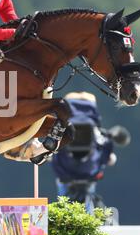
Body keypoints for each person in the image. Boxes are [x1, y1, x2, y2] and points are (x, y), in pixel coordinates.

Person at [50, 92, 130, 223]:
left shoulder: (61, 132)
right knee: (96, 216)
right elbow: (108, 156)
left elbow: (51, 150)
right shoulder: (99, 134)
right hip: (89, 175)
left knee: (61, 213)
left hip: (65, 176)